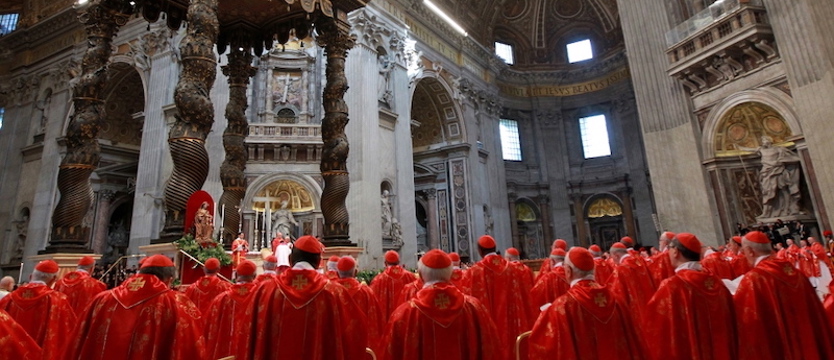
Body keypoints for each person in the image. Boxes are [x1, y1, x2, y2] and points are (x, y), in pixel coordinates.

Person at [240, 235, 367, 359]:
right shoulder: (334, 293)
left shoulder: (265, 290)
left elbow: (246, 332)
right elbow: (355, 333)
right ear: (319, 263)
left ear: (290, 260)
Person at [63, 254, 206, 359]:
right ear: (169, 279)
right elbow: (191, 344)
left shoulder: (102, 299)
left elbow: (77, 341)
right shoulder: (176, 302)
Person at [382, 249, 503, 360]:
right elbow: (491, 350)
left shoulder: (405, 314)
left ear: (420, 274)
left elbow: (391, 352)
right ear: (450, 274)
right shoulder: (474, 308)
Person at [734, 231, 834, 359]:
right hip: (808, 342)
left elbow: (747, 322)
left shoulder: (754, 279)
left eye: (744, 250)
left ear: (750, 251)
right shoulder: (796, 273)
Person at [529, 247, 643, 359]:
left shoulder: (562, 306)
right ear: (594, 270)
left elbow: (544, 347)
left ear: (568, 271)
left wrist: (547, 314)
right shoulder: (618, 301)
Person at [644, 233, 737, 359]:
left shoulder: (672, 286)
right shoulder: (716, 281)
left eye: (670, 247)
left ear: (676, 252)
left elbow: (655, 326)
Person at [467, 235, 536, 353]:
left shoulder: (475, 271)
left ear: (479, 251)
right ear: (495, 248)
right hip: (510, 324)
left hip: (488, 326)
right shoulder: (512, 268)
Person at [0, 260, 76, 359]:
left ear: (31, 276)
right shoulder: (58, 300)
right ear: (54, 279)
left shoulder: (8, 298)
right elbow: (69, 333)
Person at [204, 260, 258, 360]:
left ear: (236, 275)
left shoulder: (221, 299)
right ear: (254, 276)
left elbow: (208, 329)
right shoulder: (261, 298)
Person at [737, 137, 802, 218]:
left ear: (769, 141)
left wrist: (780, 162)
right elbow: (751, 150)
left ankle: (787, 209)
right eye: (763, 141)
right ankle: (766, 212)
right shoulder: (761, 149)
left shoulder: (778, 149)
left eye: (765, 140)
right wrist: (739, 147)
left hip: (778, 170)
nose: (763, 142)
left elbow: (791, 157)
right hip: (767, 172)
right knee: (767, 192)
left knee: (784, 190)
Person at [333, 256, 385, 355]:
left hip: (337, 348)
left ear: (337, 273)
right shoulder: (366, 292)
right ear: (356, 272)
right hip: (362, 349)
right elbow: (377, 321)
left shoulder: (330, 292)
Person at [607, 242, 656, 322]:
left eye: (612, 257)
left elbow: (618, 294)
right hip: (650, 304)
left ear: (616, 255)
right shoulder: (642, 261)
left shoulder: (621, 269)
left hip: (635, 310)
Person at [371, 250, 417, 317]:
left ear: (385, 263)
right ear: (398, 262)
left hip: (387, 319)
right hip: (406, 317)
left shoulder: (378, 279)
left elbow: (372, 301)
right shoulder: (411, 276)